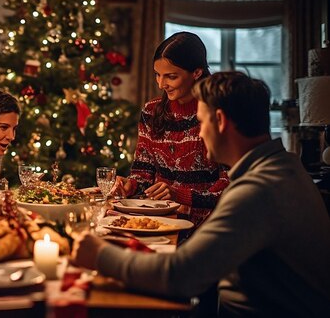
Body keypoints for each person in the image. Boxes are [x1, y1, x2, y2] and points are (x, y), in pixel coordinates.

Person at [72, 72, 330, 316]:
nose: (199, 133)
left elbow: (180, 276)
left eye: (200, 122)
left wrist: (98, 253)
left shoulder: (259, 190)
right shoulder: (284, 165)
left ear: (220, 121)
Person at [112, 31, 229, 230]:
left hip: (207, 226)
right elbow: (143, 172)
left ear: (197, 72)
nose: (161, 84)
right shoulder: (151, 111)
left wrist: (180, 195)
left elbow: (229, 184)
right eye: (157, 75)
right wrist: (131, 185)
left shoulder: (215, 114)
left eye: (171, 76)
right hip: (159, 220)